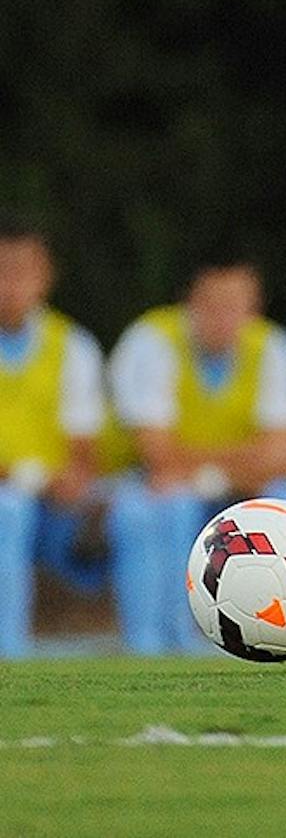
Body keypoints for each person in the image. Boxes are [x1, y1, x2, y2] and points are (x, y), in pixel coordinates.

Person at [106, 254, 286, 653]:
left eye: (236, 307)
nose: (224, 318)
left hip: (233, 490)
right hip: (163, 487)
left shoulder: (271, 347)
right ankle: (154, 645)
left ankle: (275, 635)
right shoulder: (151, 340)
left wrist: (206, 470)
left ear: (253, 309)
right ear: (189, 304)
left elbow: (282, 456)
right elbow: (154, 454)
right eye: (212, 307)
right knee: (158, 508)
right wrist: (245, 461)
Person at [0, 213, 106, 657]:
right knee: (9, 509)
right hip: (16, 498)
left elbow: (83, 452)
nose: (10, 284)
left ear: (46, 277)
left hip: (50, 505)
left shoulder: (73, 346)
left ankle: (163, 643)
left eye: (22, 271)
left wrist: (67, 482)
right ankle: (10, 649)